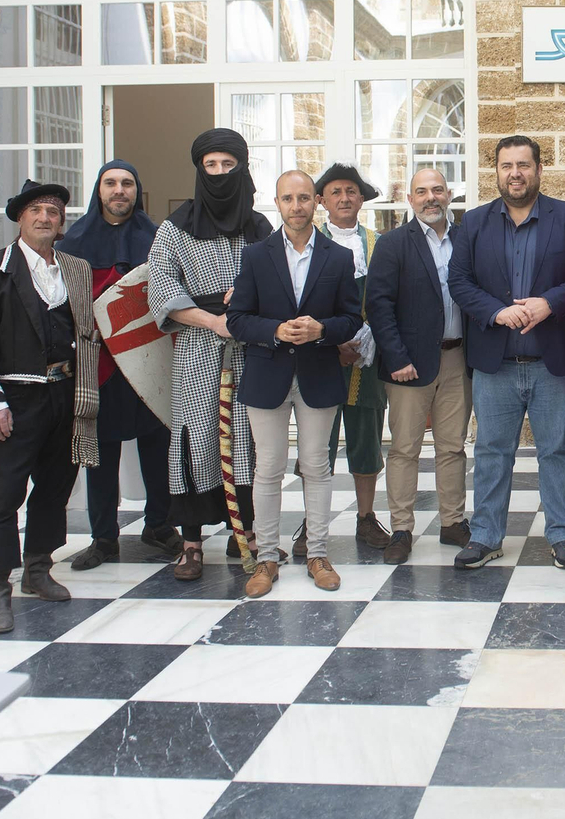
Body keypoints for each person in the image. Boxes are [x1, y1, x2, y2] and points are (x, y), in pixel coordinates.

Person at [449, 135, 565, 570]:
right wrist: (495, 312)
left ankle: (563, 534)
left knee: (557, 450)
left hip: (554, 363)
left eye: (523, 165)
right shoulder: (472, 224)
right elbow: (460, 282)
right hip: (496, 363)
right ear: (495, 171)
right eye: (507, 165)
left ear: (539, 169)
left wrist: (549, 303)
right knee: (492, 452)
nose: (515, 173)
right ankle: (486, 535)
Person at [0, 180, 100, 634]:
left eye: (54, 211)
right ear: (20, 218)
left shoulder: (75, 270)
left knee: (54, 488)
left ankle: (38, 569)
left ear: (62, 223)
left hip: (66, 394)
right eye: (37, 210)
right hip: (14, 399)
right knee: (5, 494)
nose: (45, 217)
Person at [227, 170, 361, 597]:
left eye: (304, 198)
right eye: (288, 198)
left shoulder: (337, 257)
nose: (297, 206)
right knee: (267, 469)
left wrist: (322, 329)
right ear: (277, 202)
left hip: (318, 373)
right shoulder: (254, 255)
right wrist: (275, 331)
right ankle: (267, 557)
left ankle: (318, 554)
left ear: (315, 202)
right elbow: (237, 319)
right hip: (268, 373)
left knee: (316, 466)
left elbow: (351, 319)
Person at [147, 129, 274, 580]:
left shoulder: (259, 228)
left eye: (228, 165)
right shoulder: (175, 229)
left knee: (248, 442)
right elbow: (161, 286)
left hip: (250, 350)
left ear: (242, 168)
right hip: (199, 348)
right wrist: (213, 319)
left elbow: (277, 281)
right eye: (211, 166)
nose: (220, 174)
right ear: (200, 170)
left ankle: (248, 534)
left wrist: (247, 302)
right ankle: (192, 540)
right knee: (196, 439)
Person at [57, 160, 180, 570]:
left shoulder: (158, 238)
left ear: (136, 189)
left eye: (127, 183)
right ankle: (103, 537)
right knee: (101, 452)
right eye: (111, 183)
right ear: (100, 191)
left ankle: (159, 525)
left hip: (148, 360)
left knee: (157, 446)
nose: (119, 191)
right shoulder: (72, 242)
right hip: (99, 365)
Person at [367, 168, 471, 565]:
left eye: (438, 190)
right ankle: (402, 528)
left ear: (449, 196)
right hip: (408, 365)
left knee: (452, 446)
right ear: (410, 199)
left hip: (458, 358)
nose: (431, 197)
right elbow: (379, 305)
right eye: (422, 191)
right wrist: (396, 358)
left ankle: (452, 522)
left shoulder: (466, 240)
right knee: (405, 448)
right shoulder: (394, 244)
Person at [289, 163, 388, 556]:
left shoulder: (380, 243)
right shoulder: (306, 244)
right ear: (321, 200)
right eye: (335, 192)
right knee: (317, 444)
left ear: (361, 198)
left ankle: (366, 519)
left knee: (366, 440)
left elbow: (388, 297)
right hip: (320, 356)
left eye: (351, 191)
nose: (344, 198)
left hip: (369, 356)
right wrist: (335, 341)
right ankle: (312, 523)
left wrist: (368, 337)